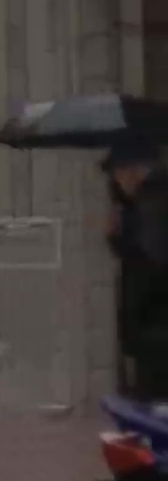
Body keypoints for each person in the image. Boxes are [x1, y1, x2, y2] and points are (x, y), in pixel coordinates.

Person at [104, 136, 168, 399]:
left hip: (155, 330)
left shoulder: (153, 202)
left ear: (131, 169)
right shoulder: (143, 203)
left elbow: (152, 260)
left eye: (117, 172)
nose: (117, 181)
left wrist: (121, 237)